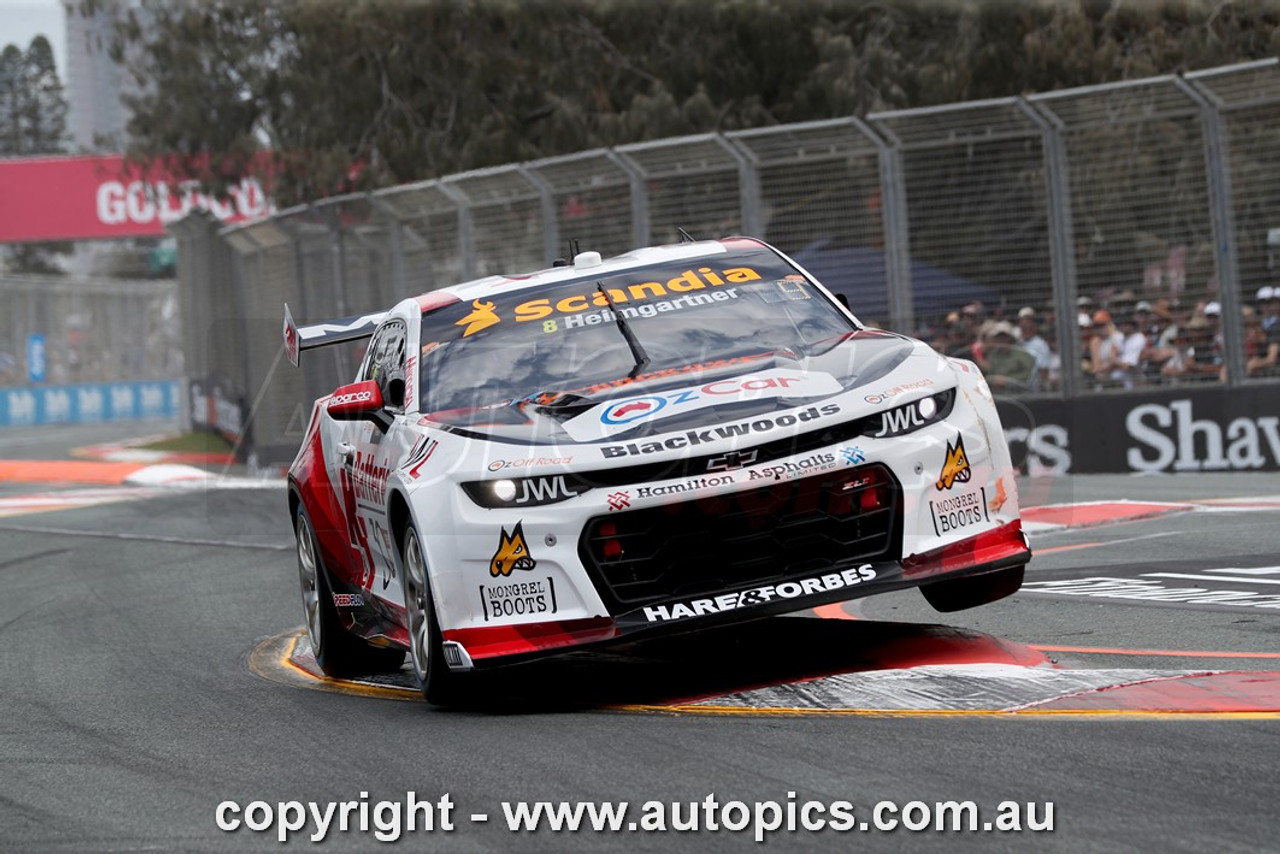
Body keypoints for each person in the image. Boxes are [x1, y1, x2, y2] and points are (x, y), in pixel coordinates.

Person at [977, 321, 1036, 392]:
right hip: (998, 395)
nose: (1001, 339)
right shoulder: (993, 354)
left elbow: (1029, 375)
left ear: (1010, 338)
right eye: (998, 337)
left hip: (1019, 394)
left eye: (1004, 336)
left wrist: (1007, 380)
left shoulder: (1021, 353)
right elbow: (991, 373)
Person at [1087, 309, 1126, 389]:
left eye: (1102, 325)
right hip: (1103, 381)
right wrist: (1112, 364)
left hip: (1119, 380)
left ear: (1109, 324)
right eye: (1097, 326)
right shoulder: (1095, 341)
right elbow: (1096, 369)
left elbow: (1118, 362)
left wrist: (1112, 364)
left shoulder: (1118, 337)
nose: (1100, 328)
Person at [1015, 307, 1051, 391]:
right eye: (1022, 320)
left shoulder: (1041, 345)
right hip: (1016, 388)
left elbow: (1044, 371)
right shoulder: (1017, 344)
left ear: (1034, 323)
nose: (1025, 323)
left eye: (1028, 320)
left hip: (1033, 390)